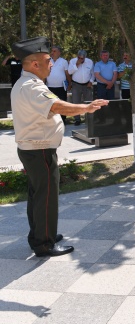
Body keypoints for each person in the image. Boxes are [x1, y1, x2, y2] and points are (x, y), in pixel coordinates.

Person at [11, 36, 108, 257]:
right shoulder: (32, 87)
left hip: (36, 148)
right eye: (48, 60)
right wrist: (87, 107)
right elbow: (57, 106)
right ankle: (44, 243)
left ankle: (40, 234)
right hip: (39, 149)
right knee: (45, 196)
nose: (52, 64)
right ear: (35, 64)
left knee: (38, 194)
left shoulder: (28, 83)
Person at [68, 50, 95, 126]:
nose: (81, 59)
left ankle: (89, 119)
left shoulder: (90, 62)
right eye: (79, 57)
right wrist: (77, 64)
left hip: (87, 85)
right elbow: (69, 72)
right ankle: (77, 119)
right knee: (76, 102)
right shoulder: (73, 61)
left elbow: (93, 73)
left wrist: (91, 81)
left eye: (82, 58)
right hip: (76, 84)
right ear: (77, 56)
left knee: (89, 102)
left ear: (85, 57)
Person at [47, 46, 71, 123]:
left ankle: (63, 120)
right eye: (52, 51)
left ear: (59, 53)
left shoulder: (63, 61)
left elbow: (67, 74)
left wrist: (70, 83)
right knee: (51, 104)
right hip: (50, 87)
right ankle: (52, 121)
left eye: (54, 51)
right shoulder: (47, 61)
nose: (52, 53)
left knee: (62, 103)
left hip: (61, 87)